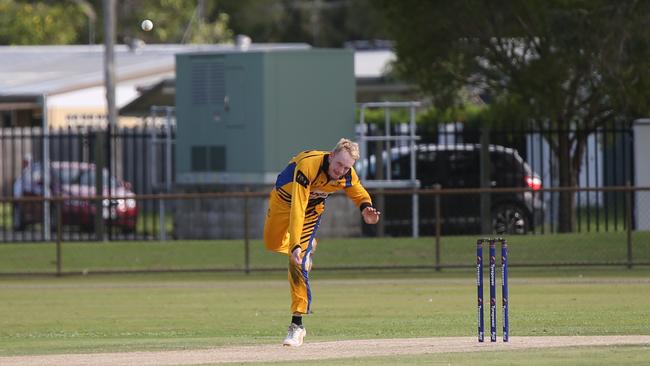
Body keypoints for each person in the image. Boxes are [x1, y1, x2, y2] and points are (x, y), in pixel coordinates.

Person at [264, 138, 381, 347]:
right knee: (272, 243)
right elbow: (297, 208)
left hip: (311, 212)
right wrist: (295, 245)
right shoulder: (309, 165)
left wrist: (366, 208)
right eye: (339, 164)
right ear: (332, 155)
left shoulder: (346, 174)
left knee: (296, 263)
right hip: (284, 202)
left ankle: (297, 325)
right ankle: (308, 248)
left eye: (347, 167)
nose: (341, 170)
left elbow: (358, 191)